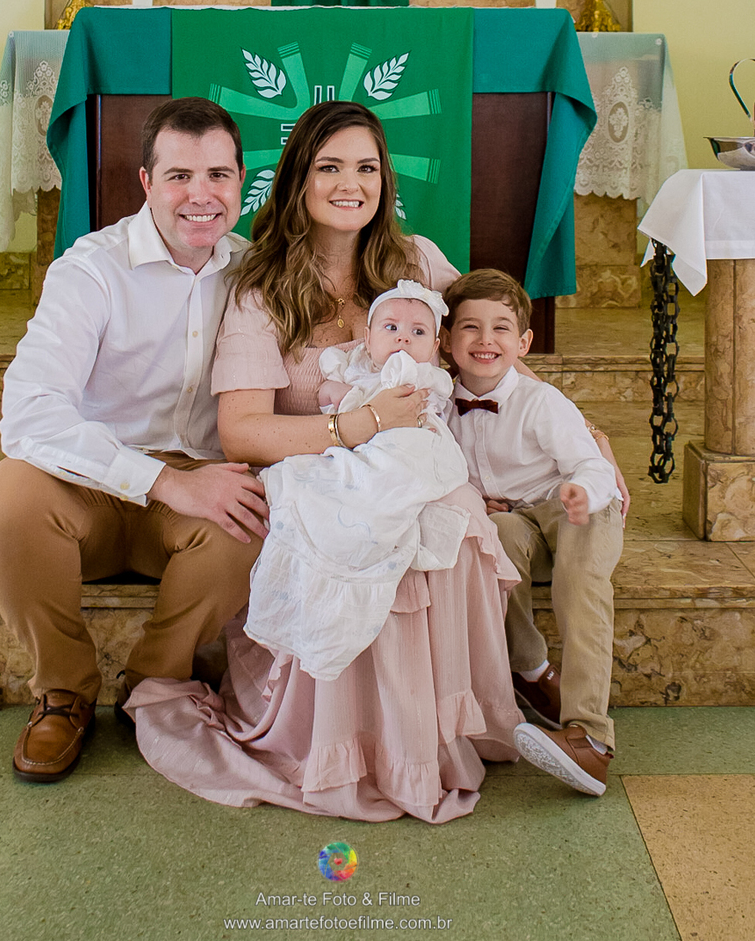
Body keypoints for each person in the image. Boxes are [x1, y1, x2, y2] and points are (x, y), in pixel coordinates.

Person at [126, 101, 523, 824]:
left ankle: (425, 734)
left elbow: (489, 349)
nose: (351, 183)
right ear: (297, 181)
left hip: (410, 470)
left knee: (446, 518)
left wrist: (575, 427)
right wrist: (359, 423)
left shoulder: (417, 263)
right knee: (352, 534)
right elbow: (243, 430)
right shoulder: (261, 286)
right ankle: (345, 744)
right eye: (330, 166)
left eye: (366, 167)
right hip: (311, 471)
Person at [0, 97, 268, 785]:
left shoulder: (254, 271)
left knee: (255, 517)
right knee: (6, 501)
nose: (202, 194)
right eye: (180, 175)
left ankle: (153, 684)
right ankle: (64, 692)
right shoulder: (92, 268)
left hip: (192, 495)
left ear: (242, 180)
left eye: (219, 175)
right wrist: (162, 480)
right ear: (145, 182)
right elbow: (29, 412)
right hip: (92, 482)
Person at [445, 268, 625, 798]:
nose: (485, 341)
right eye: (470, 327)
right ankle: (530, 665)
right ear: (445, 339)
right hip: (516, 519)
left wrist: (581, 494)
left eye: (501, 329)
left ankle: (591, 737)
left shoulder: (540, 402)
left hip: (574, 510)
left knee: (580, 579)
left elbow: (590, 467)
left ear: (523, 342)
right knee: (490, 537)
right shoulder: (436, 406)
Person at [245, 280, 469, 681]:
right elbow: (335, 403)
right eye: (390, 328)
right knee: (319, 479)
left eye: (418, 332)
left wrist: (349, 397)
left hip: (407, 448)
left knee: (376, 488)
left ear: (435, 346)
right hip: (358, 444)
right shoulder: (355, 369)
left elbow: (386, 403)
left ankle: (360, 538)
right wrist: (344, 395)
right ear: (366, 339)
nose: (403, 337)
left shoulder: (422, 376)